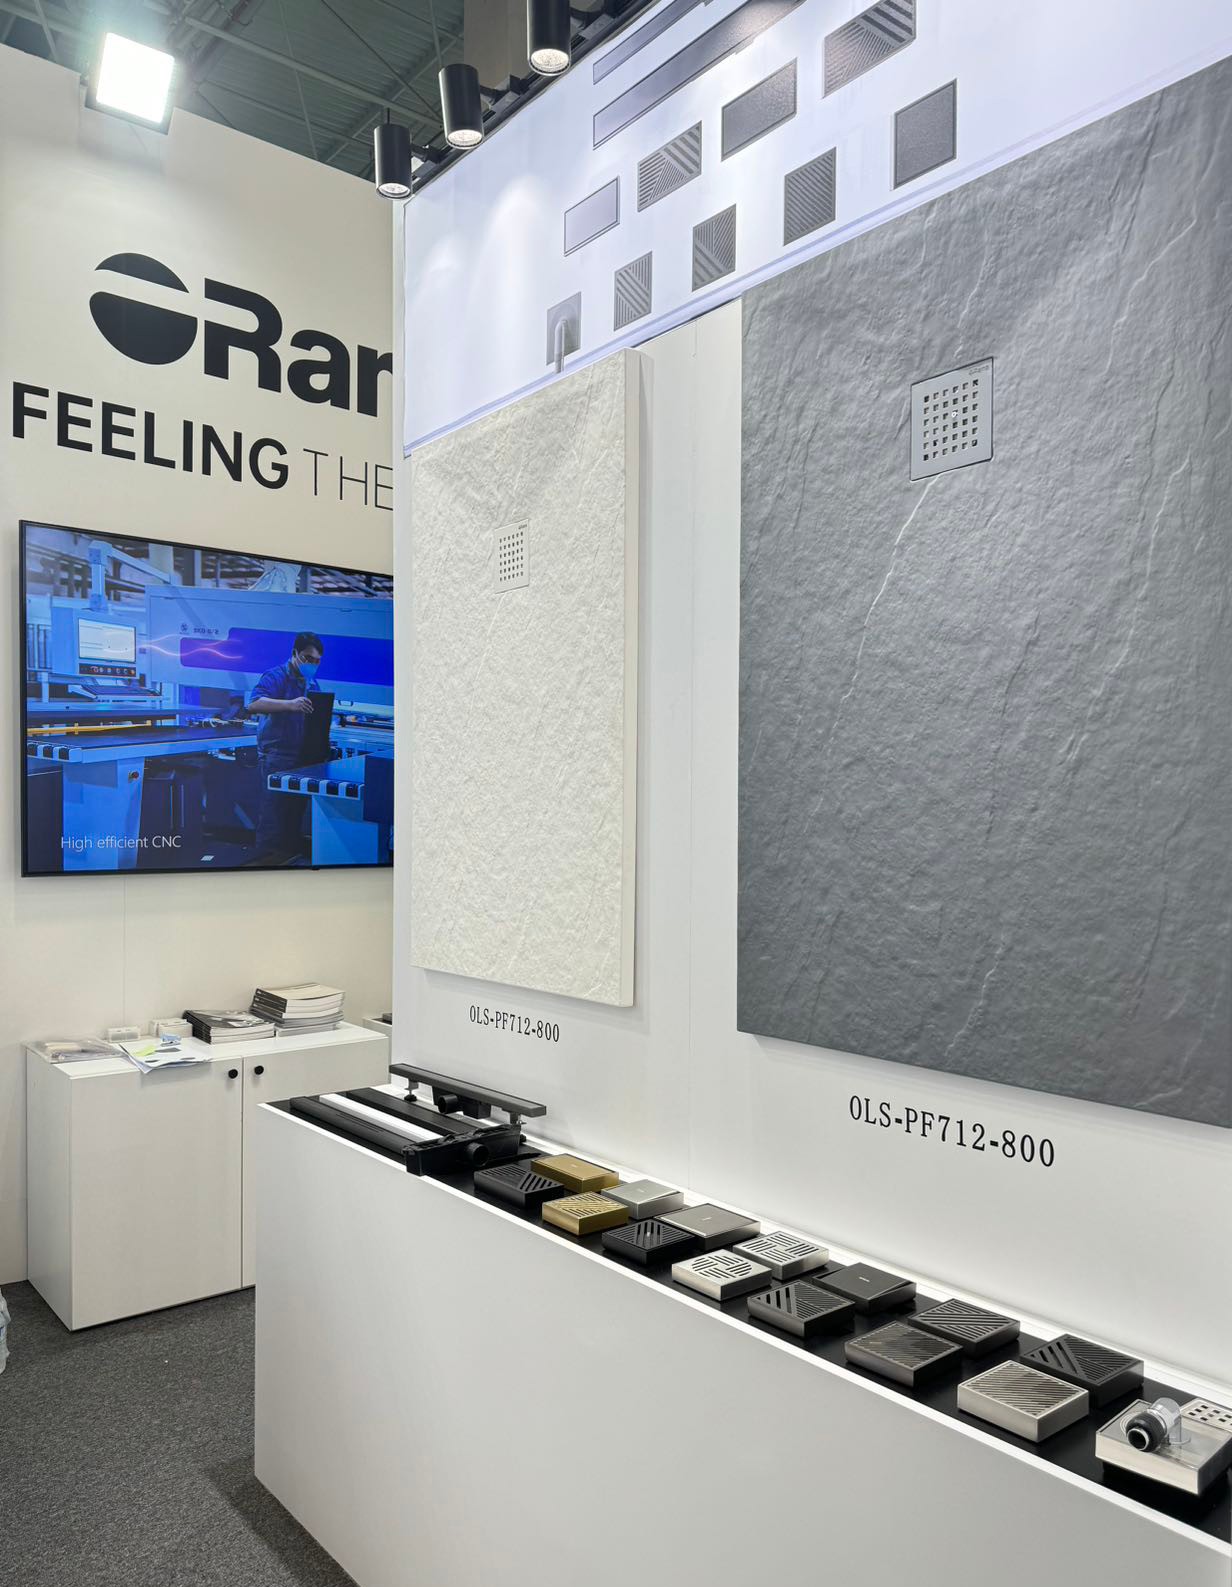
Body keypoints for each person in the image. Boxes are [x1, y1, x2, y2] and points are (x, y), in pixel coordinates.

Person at [248, 632, 326, 861]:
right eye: (308, 658)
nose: (312, 664)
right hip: (276, 757)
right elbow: (254, 703)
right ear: (295, 654)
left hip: (301, 758)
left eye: (317, 661)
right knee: (273, 818)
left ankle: (287, 864)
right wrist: (290, 704)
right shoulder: (275, 676)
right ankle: (264, 867)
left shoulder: (311, 683)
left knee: (293, 818)